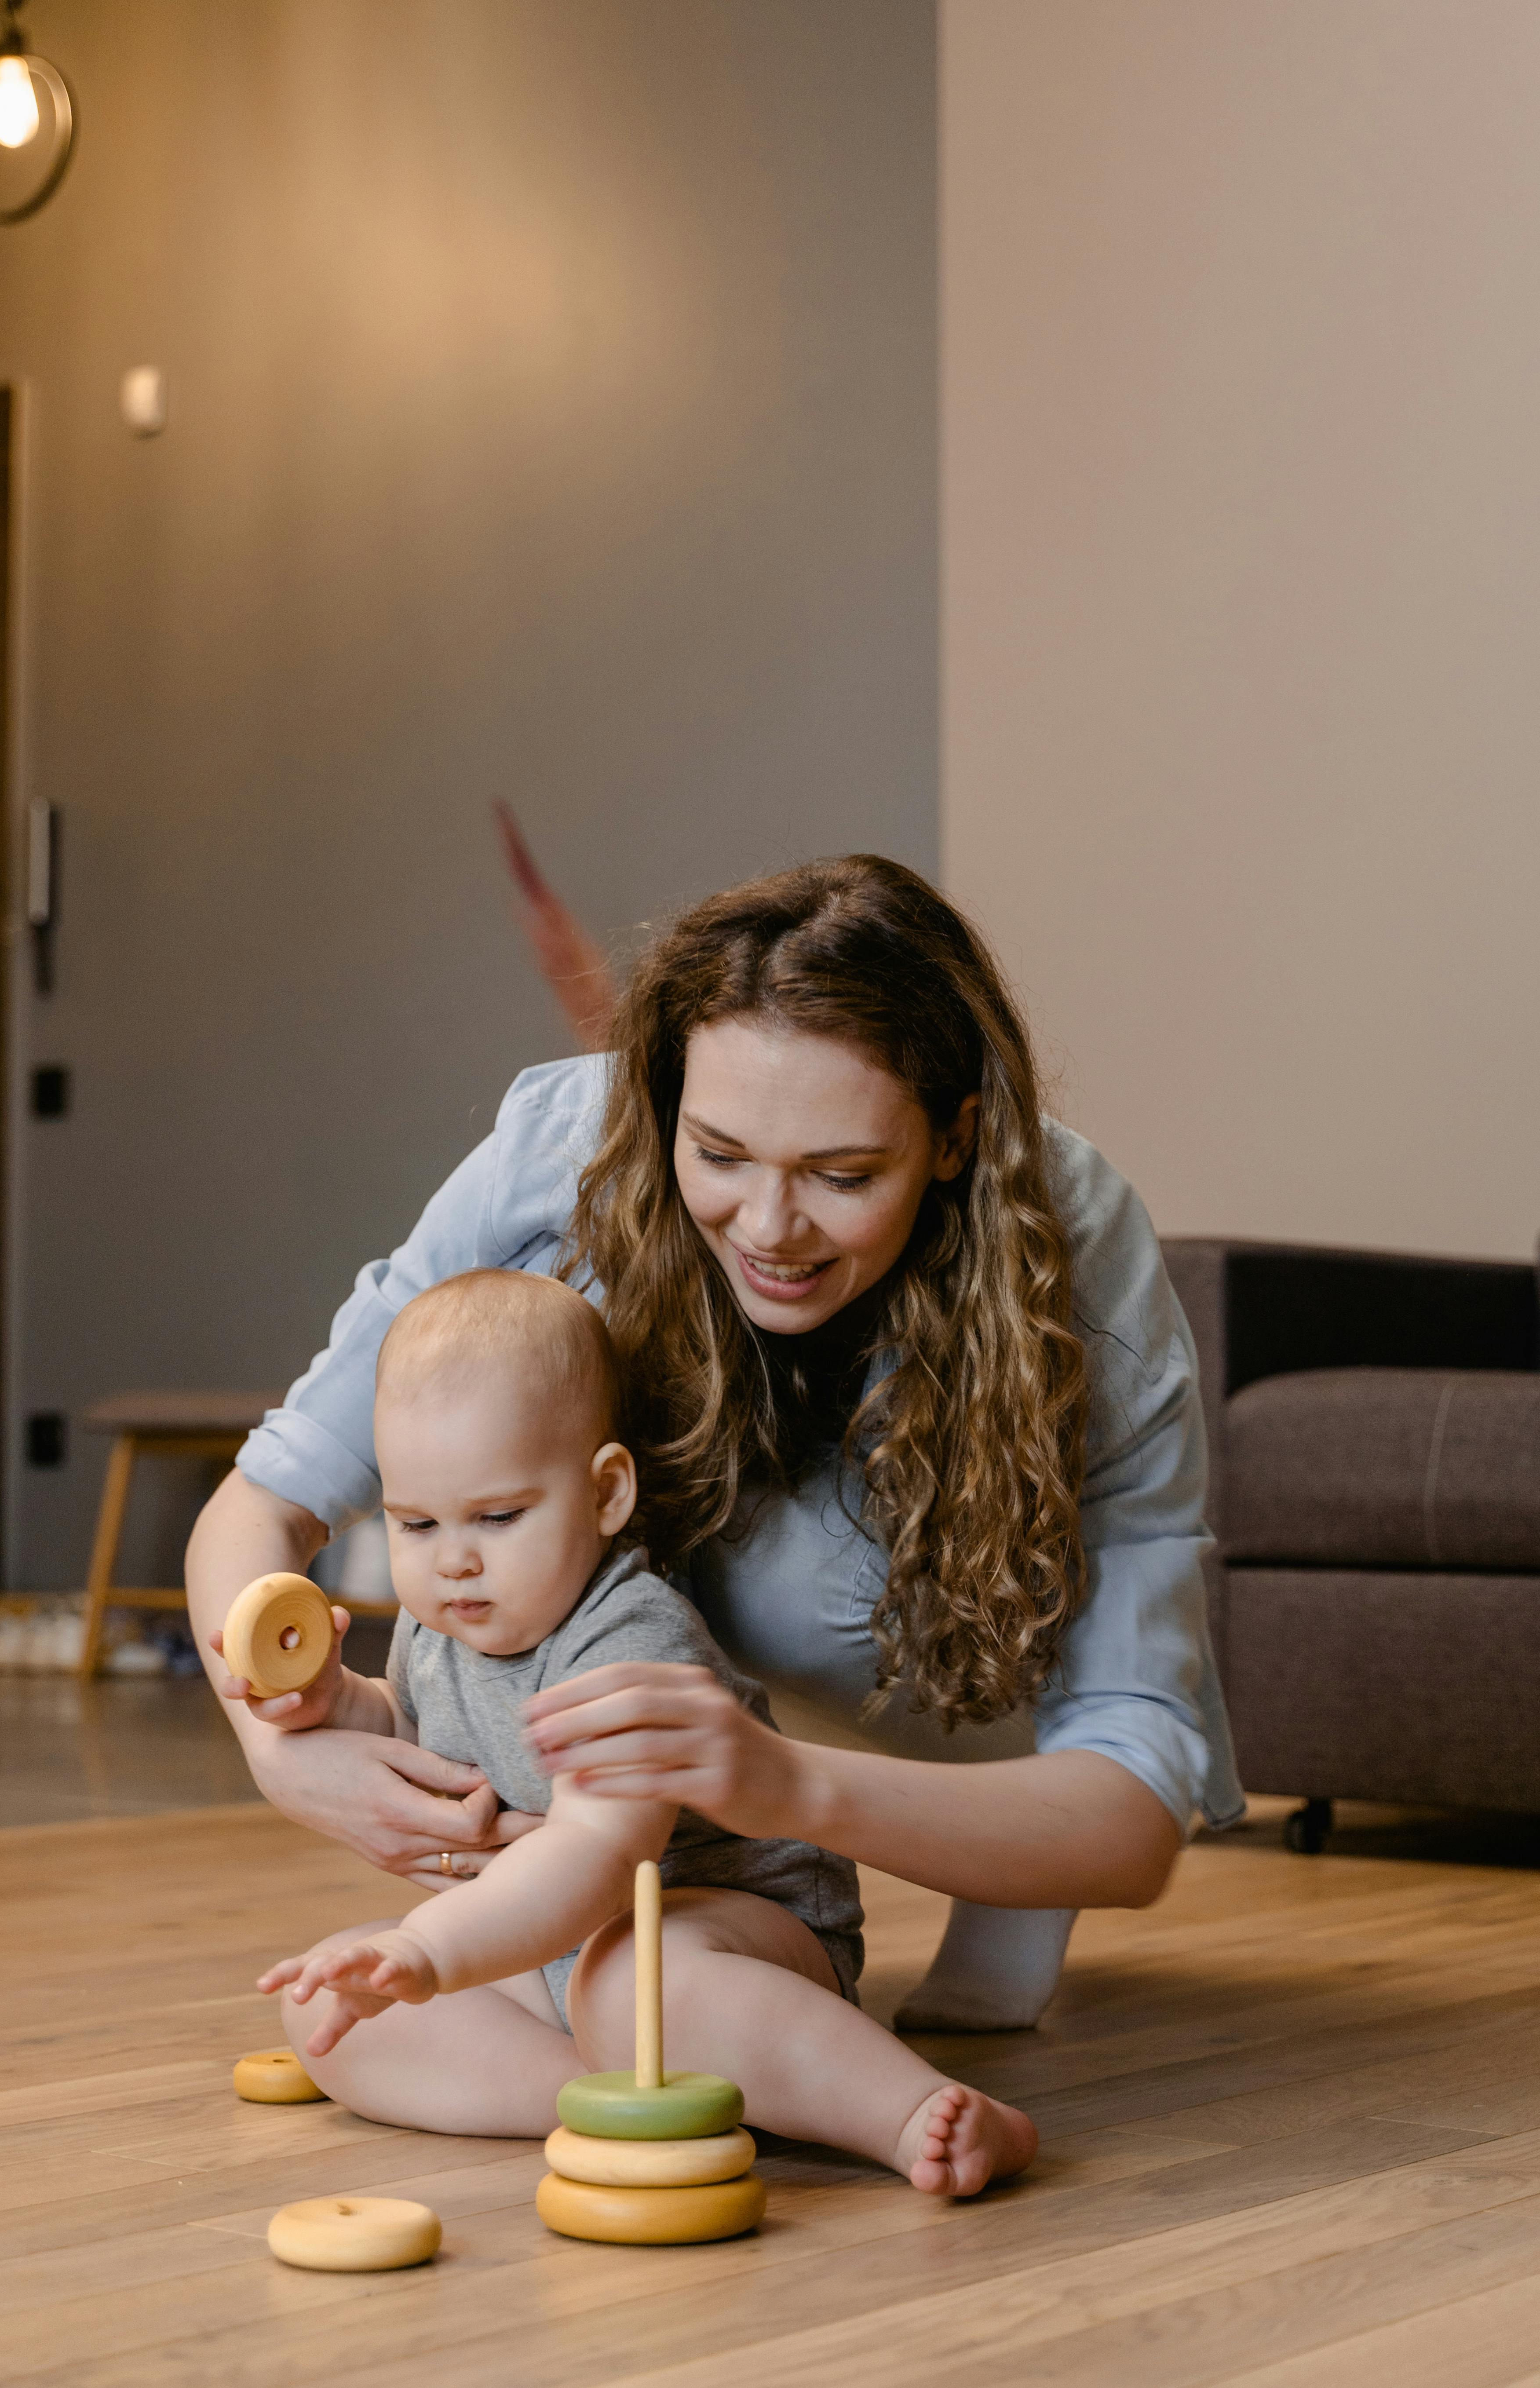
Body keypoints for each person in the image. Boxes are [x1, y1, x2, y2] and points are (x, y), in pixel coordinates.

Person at [188, 852, 1242, 2049]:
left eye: (844, 1176)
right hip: (689, 1621)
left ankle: (994, 1856)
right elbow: (265, 1503)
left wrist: (778, 1783)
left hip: (935, 1660)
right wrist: (282, 1747)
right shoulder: (560, 1151)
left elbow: (1135, 1806)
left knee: (797, 1582)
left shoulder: (1075, 1244)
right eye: (721, 1156)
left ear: (953, 1143)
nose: (771, 1229)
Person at [245, 1267, 1035, 2194]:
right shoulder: (440, 1627)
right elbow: (421, 1739)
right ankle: (611, 2095)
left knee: (628, 1984)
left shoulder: (631, 1640)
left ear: (606, 1495)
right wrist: (337, 1708)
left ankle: (903, 2112)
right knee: (332, 2012)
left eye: (499, 1517)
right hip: (548, 1946)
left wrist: (433, 1949)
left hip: (722, 1927)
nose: (454, 1560)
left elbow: (595, 1850)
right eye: (416, 1523)